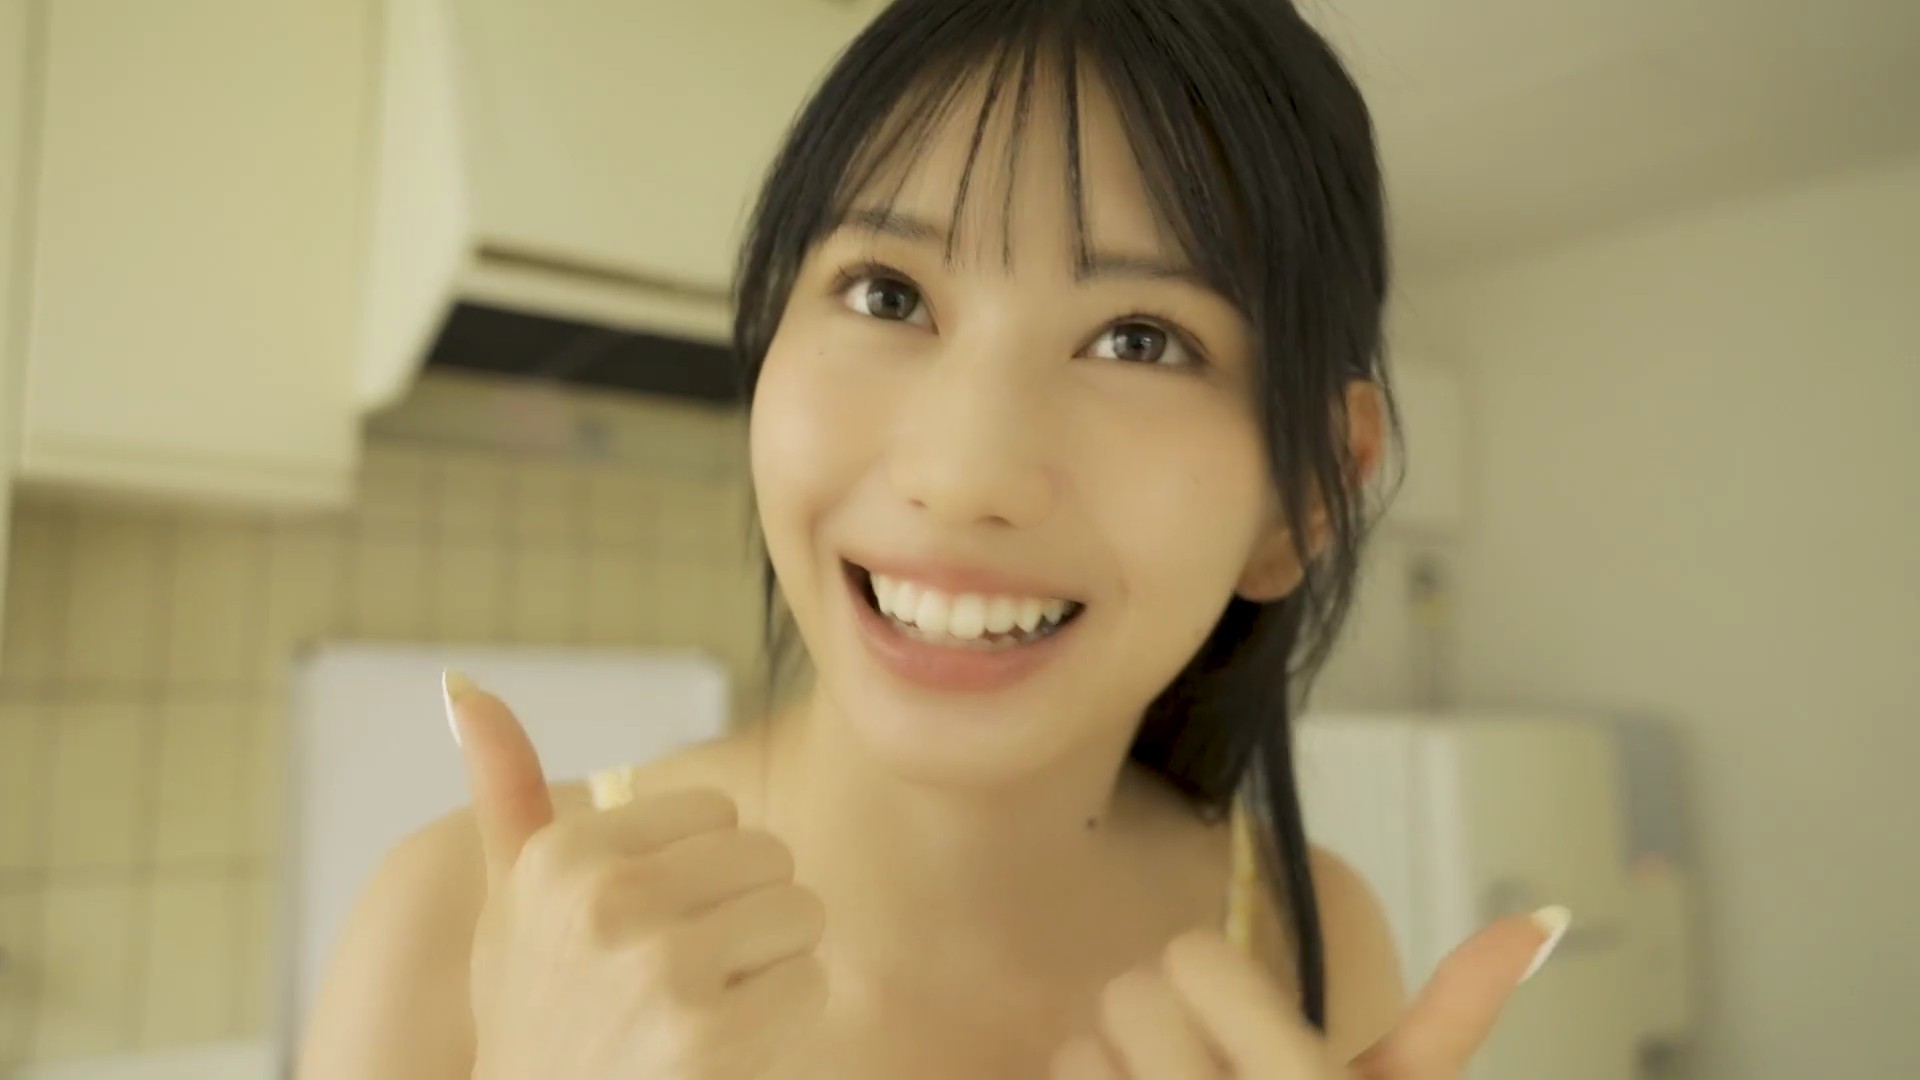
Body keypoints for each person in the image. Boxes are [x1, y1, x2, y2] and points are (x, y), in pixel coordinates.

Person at [298, 1, 1569, 1077]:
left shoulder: (1306, 942)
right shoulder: (457, 926)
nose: (963, 476)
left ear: (1303, 500)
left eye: (1140, 340)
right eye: (887, 293)